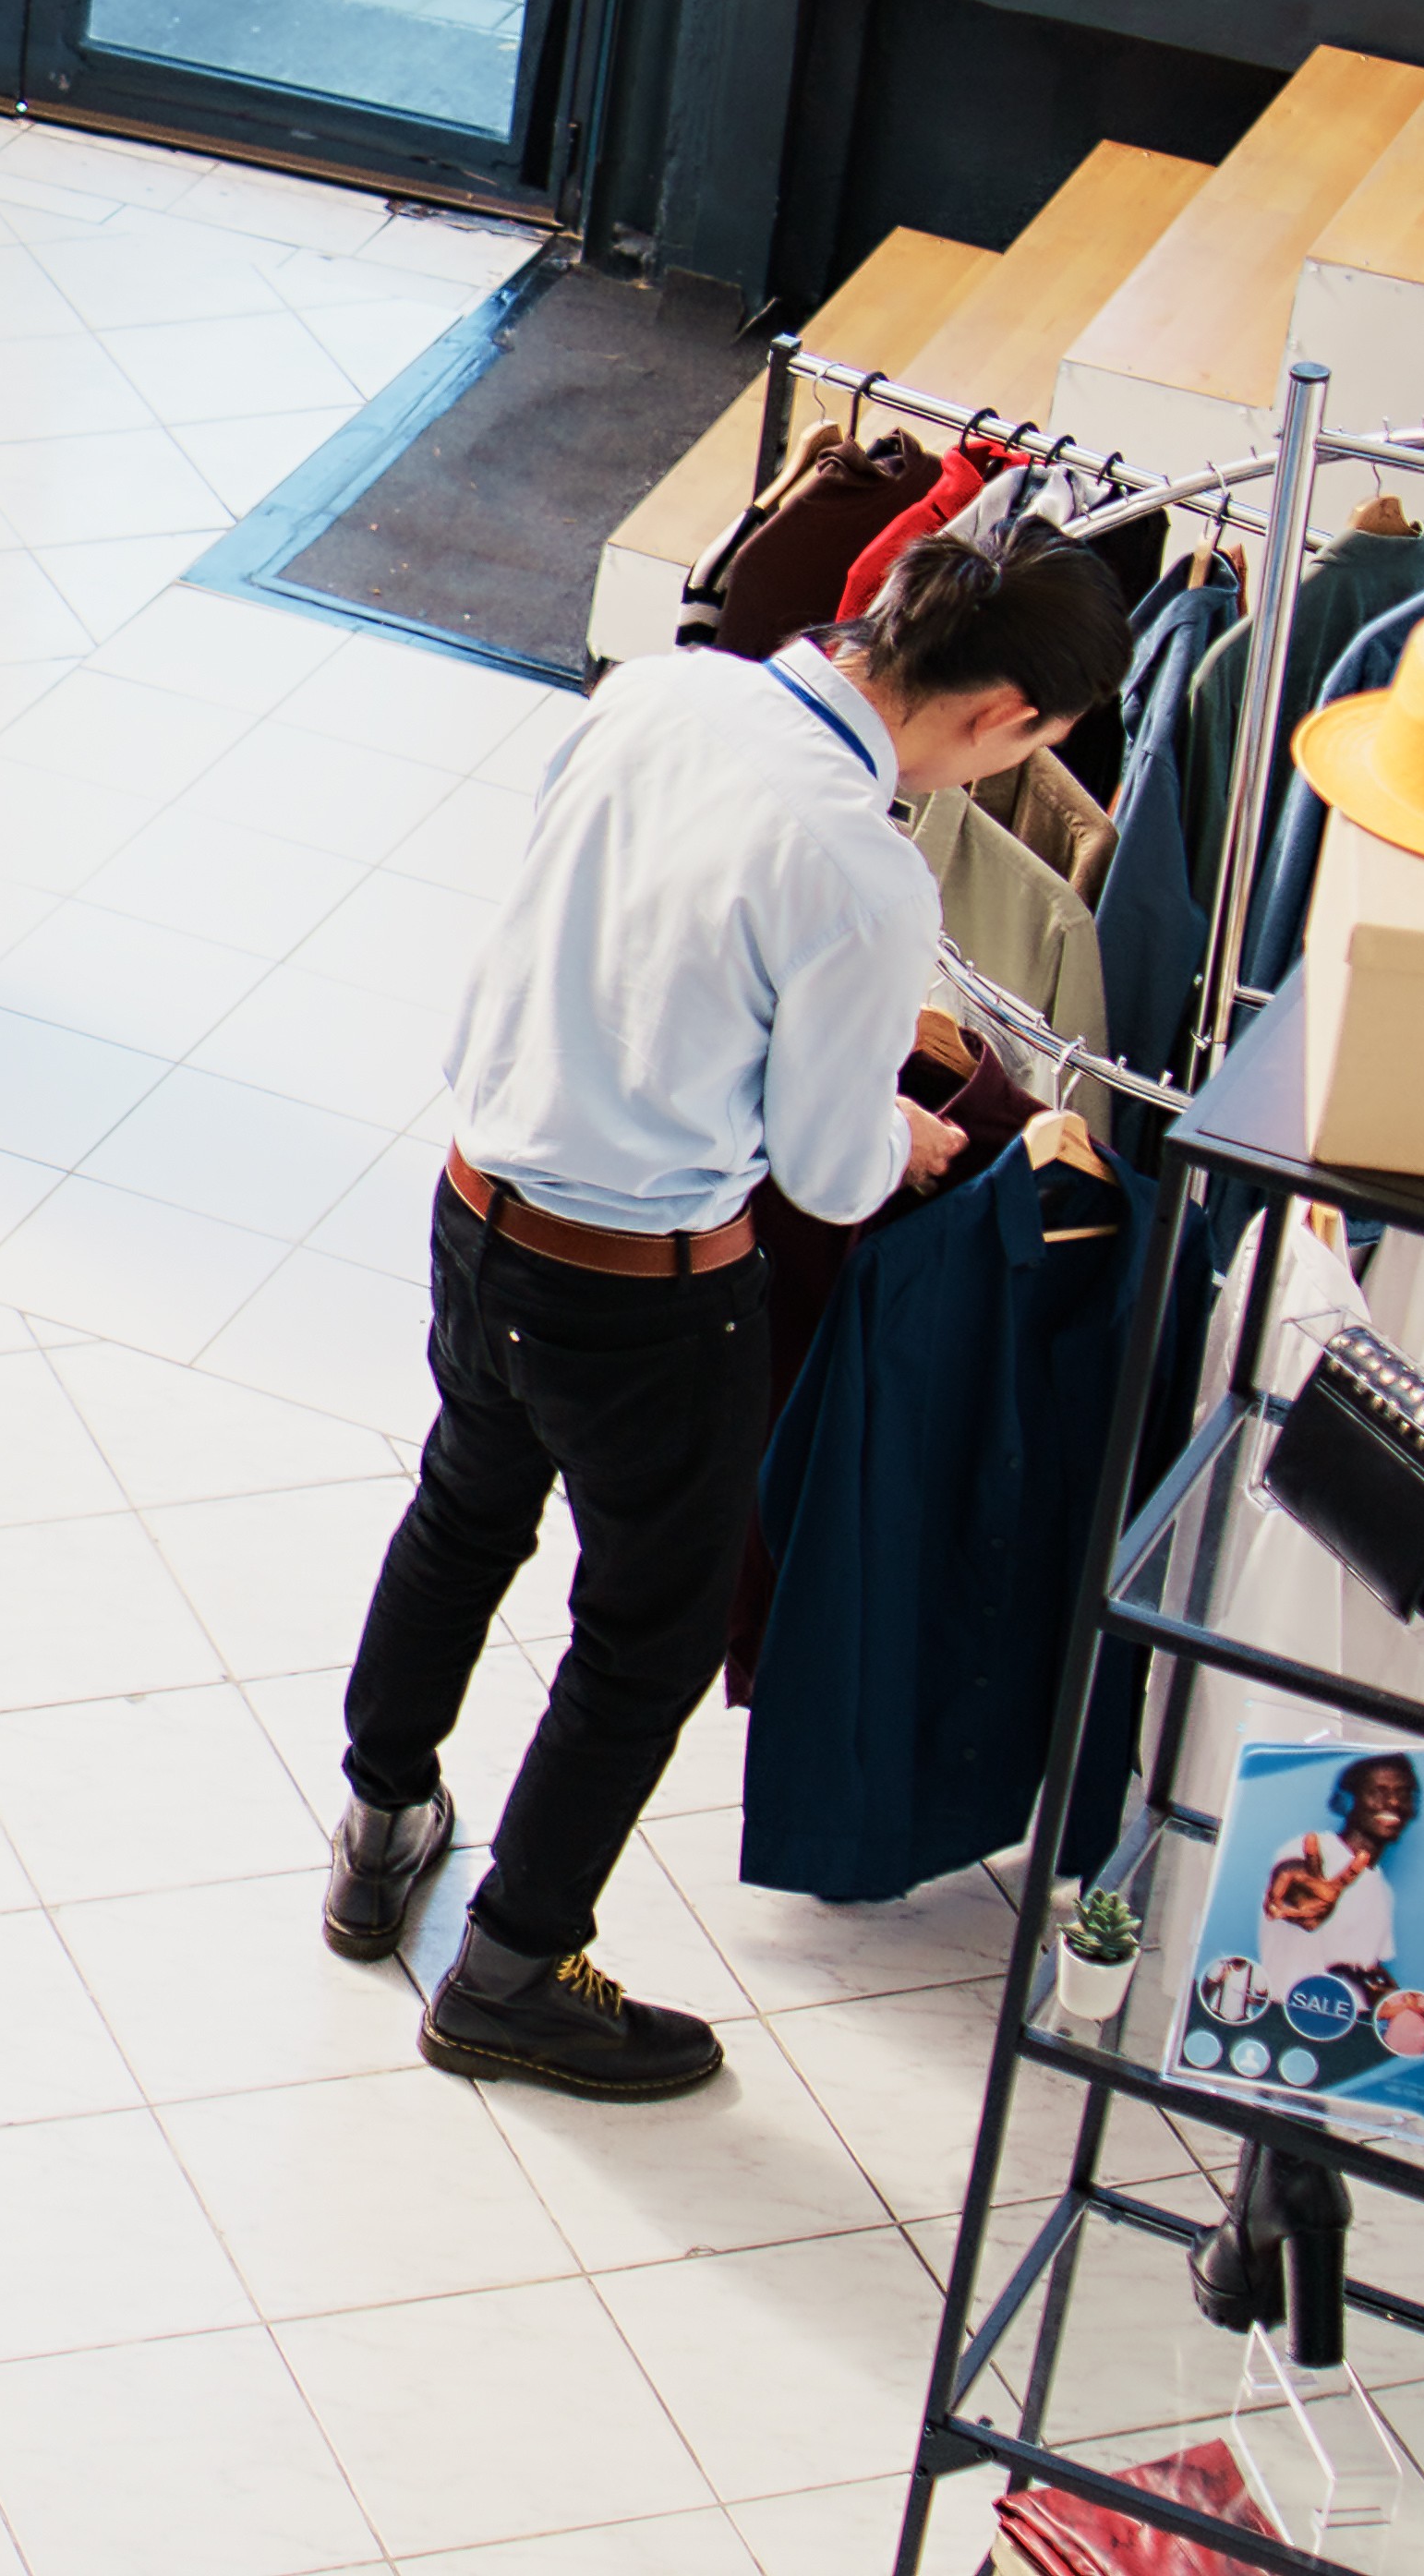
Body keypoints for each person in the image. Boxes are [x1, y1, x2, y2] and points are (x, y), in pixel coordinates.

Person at [320, 530, 1133, 2100]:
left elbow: (620, 939)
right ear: (1002, 719)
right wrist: (893, 1125)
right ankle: (510, 1969)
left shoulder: (660, 695)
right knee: (646, 1631)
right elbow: (829, 1178)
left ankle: (379, 1823)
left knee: (462, 1508)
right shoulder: (860, 863)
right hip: (639, 1292)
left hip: (477, 1198)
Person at [1257, 1752, 1418, 1999]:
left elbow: (1362, 1966)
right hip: (1286, 2019)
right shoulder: (1311, 1850)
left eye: (1404, 1794)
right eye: (1379, 1791)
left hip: (1346, 2031)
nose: (1394, 1802)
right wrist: (1297, 1899)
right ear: (1347, 1800)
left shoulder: (1383, 1889)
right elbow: (1291, 1877)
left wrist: (1396, 1999)